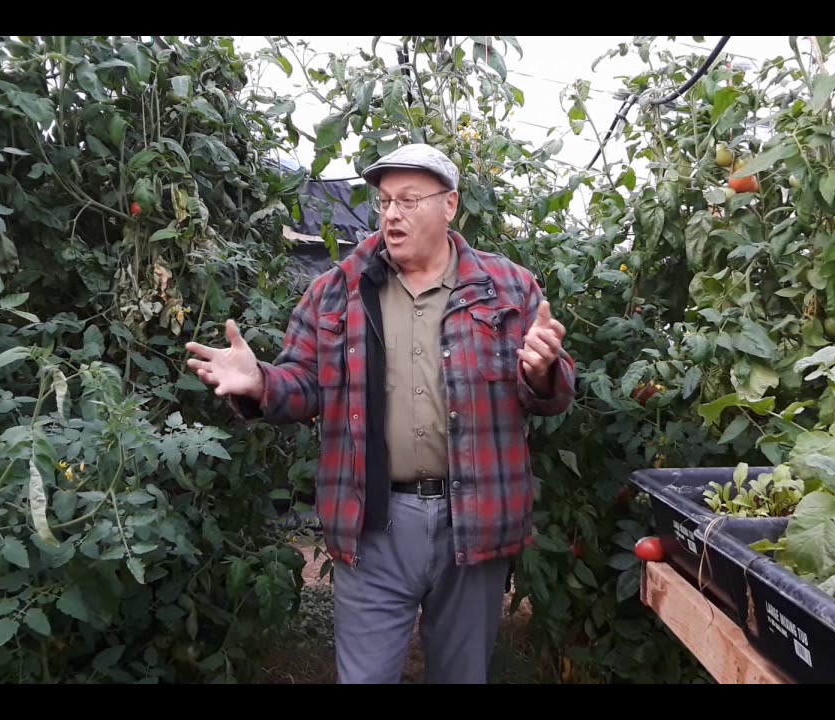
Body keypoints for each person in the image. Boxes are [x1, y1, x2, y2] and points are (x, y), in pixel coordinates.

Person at [184, 143, 576, 684]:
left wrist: (542, 370)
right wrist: (261, 383)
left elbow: (553, 394)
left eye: (409, 200)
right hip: (373, 522)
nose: (392, 214)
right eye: (385, 201)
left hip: (476, 517)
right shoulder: (335, 291)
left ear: (450, 205)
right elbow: (304, 385)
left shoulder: (507, 287)